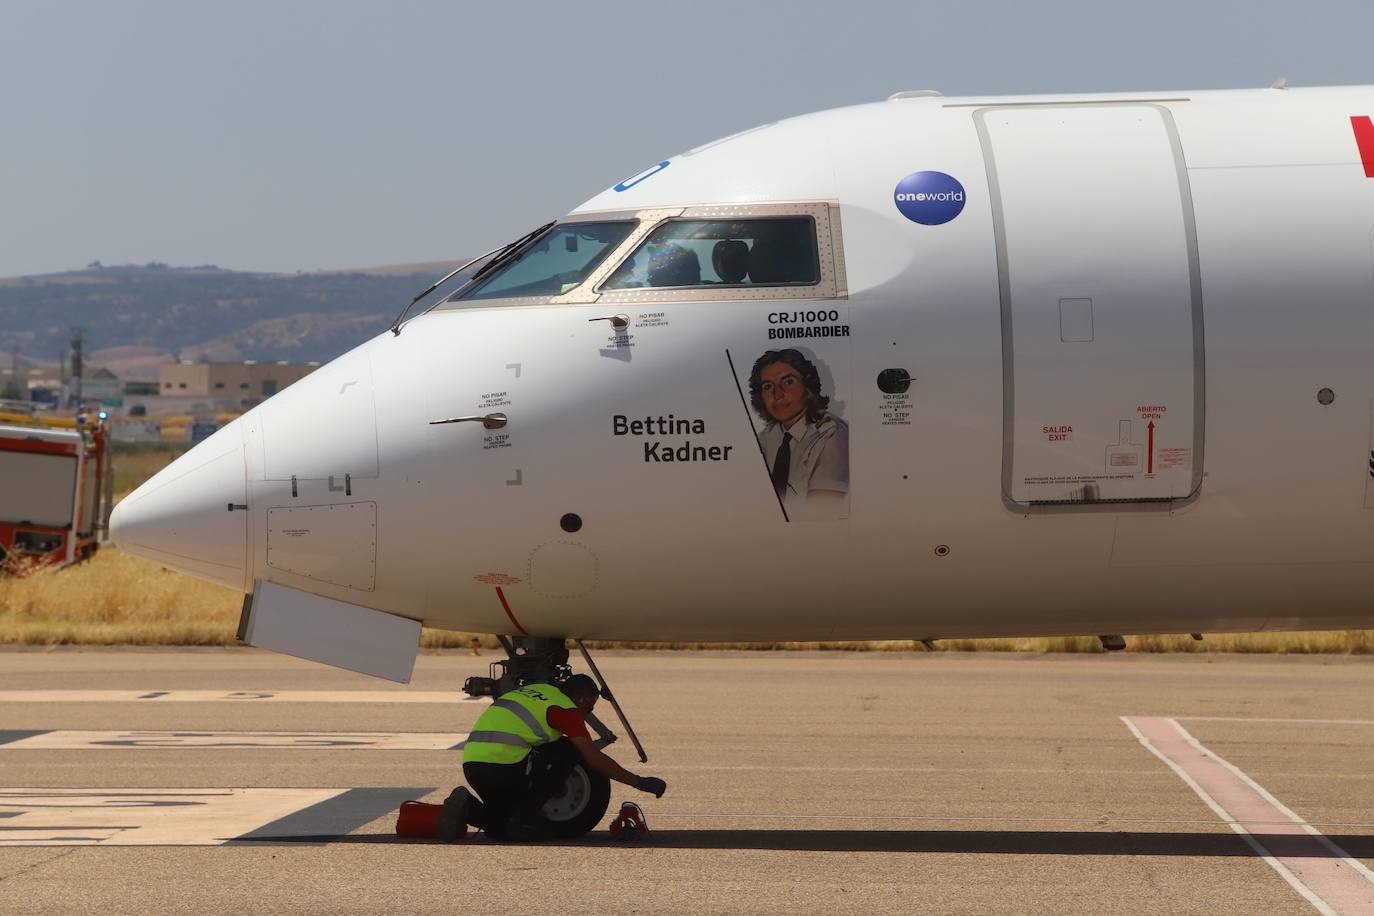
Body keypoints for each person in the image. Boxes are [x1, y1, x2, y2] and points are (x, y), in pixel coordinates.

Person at [437, 674, 666, 841]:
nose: (588, 714)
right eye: (591, 707)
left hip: (474, 765)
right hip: (503, 767)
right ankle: (526, 814)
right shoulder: (566, 709)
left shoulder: (538, 691)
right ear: (582, 701)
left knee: (502, 830)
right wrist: (638, 782)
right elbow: (593, 758)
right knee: (569, 750)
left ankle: (468, 806)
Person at [748, 349, 849, 519]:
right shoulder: (764, 439)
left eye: (788, 382)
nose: (777, 394)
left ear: (807, 386)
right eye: (767, 386)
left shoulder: (831, 434)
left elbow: (822, 511)